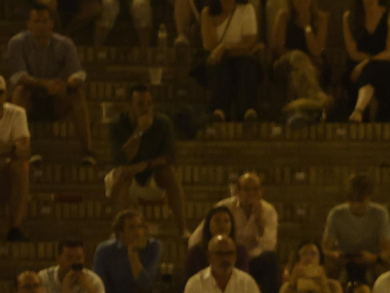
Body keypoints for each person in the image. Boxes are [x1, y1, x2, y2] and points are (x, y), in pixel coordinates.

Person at [5, 4, 95, 166]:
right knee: (20, 92)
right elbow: (18, 76)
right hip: (30, 99)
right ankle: (24, 151)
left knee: (77, 94)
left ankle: (88, 152)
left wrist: (67, 85)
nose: (41, 26)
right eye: (37, 21)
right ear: (29, 24)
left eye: (44, 21)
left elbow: (78, 73)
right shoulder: (17, 43)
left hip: (56, 99)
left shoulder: (65, 44)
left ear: (51, 24)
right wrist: (45, 84)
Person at [105, 84, 187, 238]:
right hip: (126, 175)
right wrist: (139, 131)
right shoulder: (117, 124)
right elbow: (121, 159)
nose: (146, 108)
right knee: (122, 176)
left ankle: (183, 229)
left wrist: (145, 165)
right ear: (129, 105)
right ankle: (118, 233)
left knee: (169, 172)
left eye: (149, 104)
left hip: (152, 176)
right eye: (140, 104)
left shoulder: (163, 123)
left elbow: (170, 157)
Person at [196, 0, 263, 122]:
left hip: (241, 58)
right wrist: (226, 50)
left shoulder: (246, 9)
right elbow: (211, 45)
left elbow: (248, 41)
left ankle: (247, 110)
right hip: (217, 58)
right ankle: (219, 110)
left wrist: (225, 47)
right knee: (220, 63)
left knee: (247, 63)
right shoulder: (207, 13)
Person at [321, 173, 390, 286]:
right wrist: (334, 255)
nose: (355, 204)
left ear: (369, 197)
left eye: (360, 200)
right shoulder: (337, 214)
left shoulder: (379, 214)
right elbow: (324, 249)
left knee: (387, 270)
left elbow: (386, 251)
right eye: (351, 199)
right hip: (344, 261)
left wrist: (374, 258)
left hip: (371, 262)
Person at [272, 0, 335, 126]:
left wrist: (307, 27)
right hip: (285, 63)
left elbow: (317, 50)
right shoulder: (284, 16)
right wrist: (301, 60)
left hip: (310, 69)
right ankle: (318, 98)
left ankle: (295, 113)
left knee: (296, 76)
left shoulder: (320, 19)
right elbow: (278, 48)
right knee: (297, 57)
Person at [343, 0, 390, 123]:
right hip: (358, 66)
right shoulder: (349, 17)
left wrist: (366, 63)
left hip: (384, 65)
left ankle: (359, 111)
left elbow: (389, 51)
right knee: (368, 73)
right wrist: (366, 63)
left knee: (378, 73)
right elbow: (352, 53)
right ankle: (362, 114)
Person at [0, 74, 31, 241]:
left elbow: (24, 149)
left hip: (5, 174)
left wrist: (11, 149)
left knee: (21, 166)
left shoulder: (17, 113)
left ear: (5, 94)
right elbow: (18, 146)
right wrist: (12, 147)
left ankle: (15, 227)